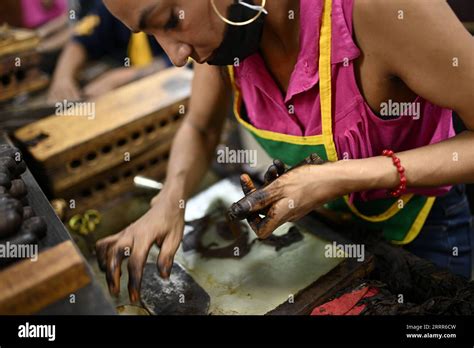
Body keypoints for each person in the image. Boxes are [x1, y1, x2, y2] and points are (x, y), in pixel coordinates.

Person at [96, 0, 474, 302]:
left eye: (170, 20)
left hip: (423, 236)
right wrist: (169, 200)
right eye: (151, 33)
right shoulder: (227, 35)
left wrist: (338, 176)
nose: (175, 56)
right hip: (330, 235)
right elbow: (200, 125)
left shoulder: (381, 10)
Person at [47, 1, 169, 102]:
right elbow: (81, 38)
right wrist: (63, 78)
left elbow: (183, 61)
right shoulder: (112, 6)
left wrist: (119, 78)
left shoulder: (170, 8)